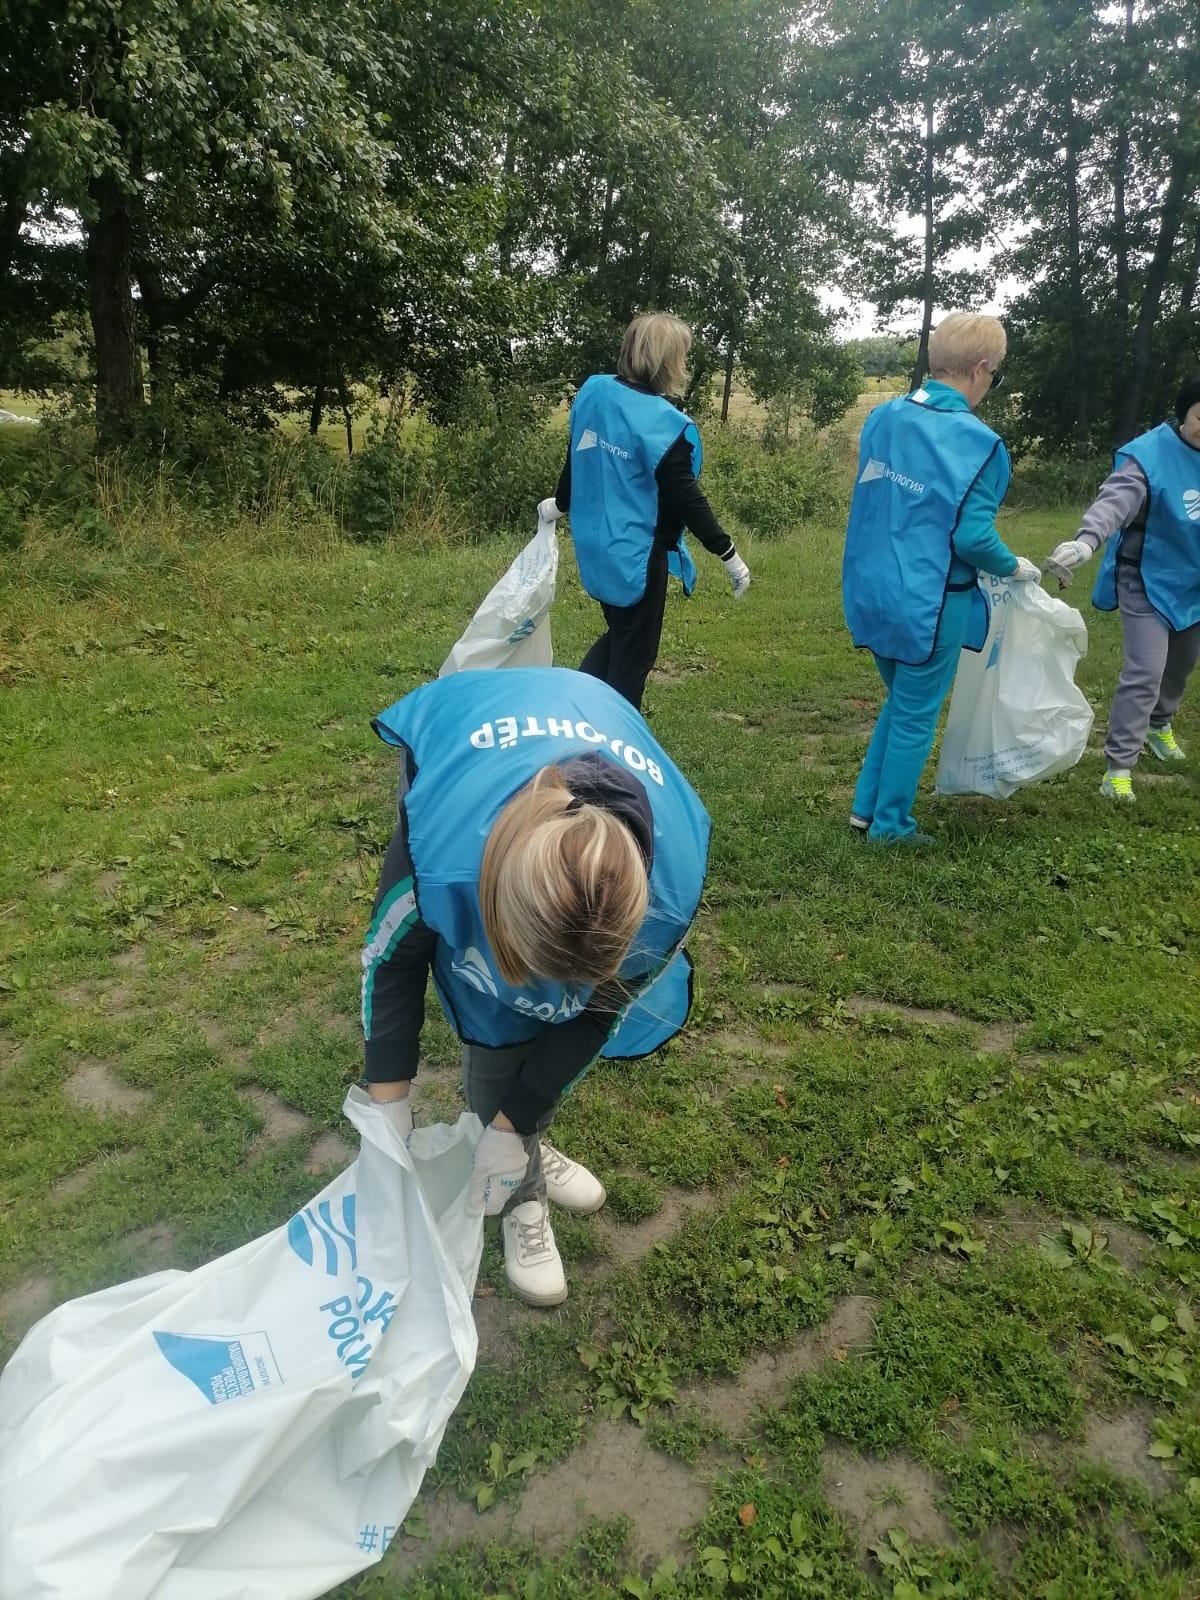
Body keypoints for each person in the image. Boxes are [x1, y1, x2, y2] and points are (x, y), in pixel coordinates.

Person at [359, 666, 711, 1307]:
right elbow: (395, 965)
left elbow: (598, 1014)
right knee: (498, 1033)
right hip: (474, 738)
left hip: (588, 713)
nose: (551, 1001)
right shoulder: (442, 847)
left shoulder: (671, 892)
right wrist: (387, 1108)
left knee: (530, 1067)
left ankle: (520, 1155)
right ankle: (523, 1184)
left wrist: (513, 1123)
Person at [841, 312, 1042, 844]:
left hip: (870, 589)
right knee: (915, 715)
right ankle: (891, 826)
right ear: (981, 369)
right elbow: (972, 538)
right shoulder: (982, 444)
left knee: (902, 700)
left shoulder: (883, 417)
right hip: (930, 601)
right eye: (994, 375)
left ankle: (865, 808)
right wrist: (1013, 565)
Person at [538, 312, 752, 711]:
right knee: (633, 661)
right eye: (682, 355)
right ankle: (610, 753)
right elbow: (689, 499)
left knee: (621, 634)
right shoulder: (662, 424)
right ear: (666, 360)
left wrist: (560, 504)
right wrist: (730, 556)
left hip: (596, 547)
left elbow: (579, 453)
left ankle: (570, 710)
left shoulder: (595, 394)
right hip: (635, 558)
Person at [1045, 372, 1200, 802]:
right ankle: (1118, 769)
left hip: (1193, 583)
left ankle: (1158, 725)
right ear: (1184, 412)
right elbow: (1116, 501)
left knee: (1181, 665)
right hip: (1146, 579)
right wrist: (1085, 540)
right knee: (1146, 671)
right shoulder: (1148, 456)